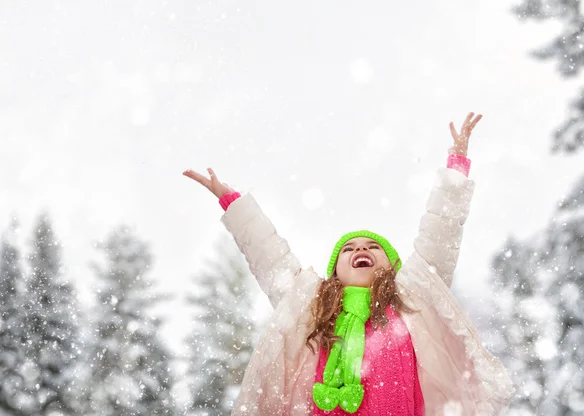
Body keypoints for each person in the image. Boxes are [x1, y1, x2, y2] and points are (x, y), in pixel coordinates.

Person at [183, 112, 514, 415]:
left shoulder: (413, 297)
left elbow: (441, 229)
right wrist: (233, 203)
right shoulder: (310, 304)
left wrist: (456, 166)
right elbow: (269, 256)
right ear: (335, 271)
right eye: (348, 248)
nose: (361, 249)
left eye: (373, 246)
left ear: (393, 266)